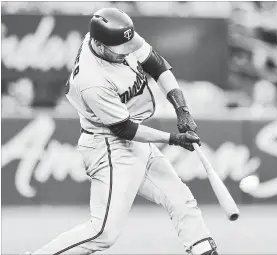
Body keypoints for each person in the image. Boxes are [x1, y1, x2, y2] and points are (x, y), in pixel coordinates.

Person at [24, 8, 218, 255]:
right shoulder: (92, 80)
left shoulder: (116, 38)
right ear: (98, 44)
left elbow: (157, 66)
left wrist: (182, 109)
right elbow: (125, 129)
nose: (128, 51)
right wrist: (173, 138)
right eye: (121, 49)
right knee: (102, 233)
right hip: (109, 147)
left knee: (180, 198)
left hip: (133, 140)